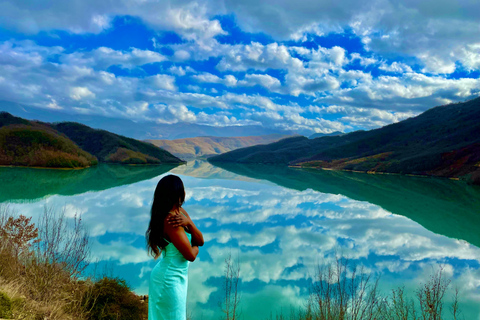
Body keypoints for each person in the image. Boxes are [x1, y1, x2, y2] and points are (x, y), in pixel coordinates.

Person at [146, 174, 204, 320]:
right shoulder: (171, 221)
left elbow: (201, 240)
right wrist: (195, 246)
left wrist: (189, 223)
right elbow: (190, 255)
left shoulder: (181, 213)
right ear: (177, 193)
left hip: (177, 276)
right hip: (169, 279)